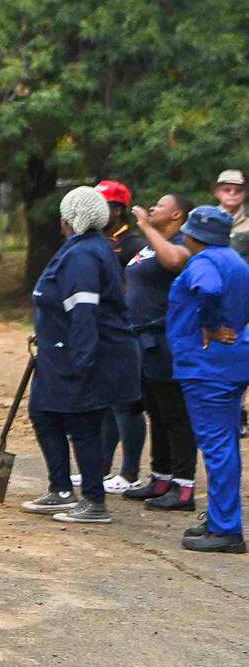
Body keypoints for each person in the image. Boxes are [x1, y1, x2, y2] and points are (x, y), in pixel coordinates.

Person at [19, 186, 141, 527]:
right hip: (59, 350)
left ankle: (94, 501)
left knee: (83, 423)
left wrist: (82, 362)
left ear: (72, 218)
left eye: (64, 214)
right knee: (43, 412)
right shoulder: (79, 249)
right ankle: (60, 489)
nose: (60, 221)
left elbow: (84, 312)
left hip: (84, 354)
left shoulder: (85, 255)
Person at [167, 206, 249, 554]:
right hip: (232, 363)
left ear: (193, 236)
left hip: (207, 367)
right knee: (226, 443)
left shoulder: (203, 262)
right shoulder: (236, 260)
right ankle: (220, 519)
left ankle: (227, 529)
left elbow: (209, 290)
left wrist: (211, 325)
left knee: (217, 447)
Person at [122, 194, 198, 510]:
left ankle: (184, 487)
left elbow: (176, 262)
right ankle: (160, 477)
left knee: (175, 413)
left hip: (166, 341)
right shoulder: (149, 245)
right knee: (155, 410)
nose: (152, 207)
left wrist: (143, 224)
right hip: (143, 341)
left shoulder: (180, 243)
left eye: (160, 205)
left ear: (177, 213)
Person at [95, 179, 148, 492]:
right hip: (102, 330)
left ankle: (130, 473)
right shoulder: (96, 241)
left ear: (118, 209)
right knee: (104, 403)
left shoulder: (131, 244)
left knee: (126, 405)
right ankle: (101, 469)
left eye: (105, 205)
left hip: (126, 332)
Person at [213, 169, 249, 256]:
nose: (232, 193)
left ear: (245, 193)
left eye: (239, 190)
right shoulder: (205, 217)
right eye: (226, 190)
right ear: (217, 193)